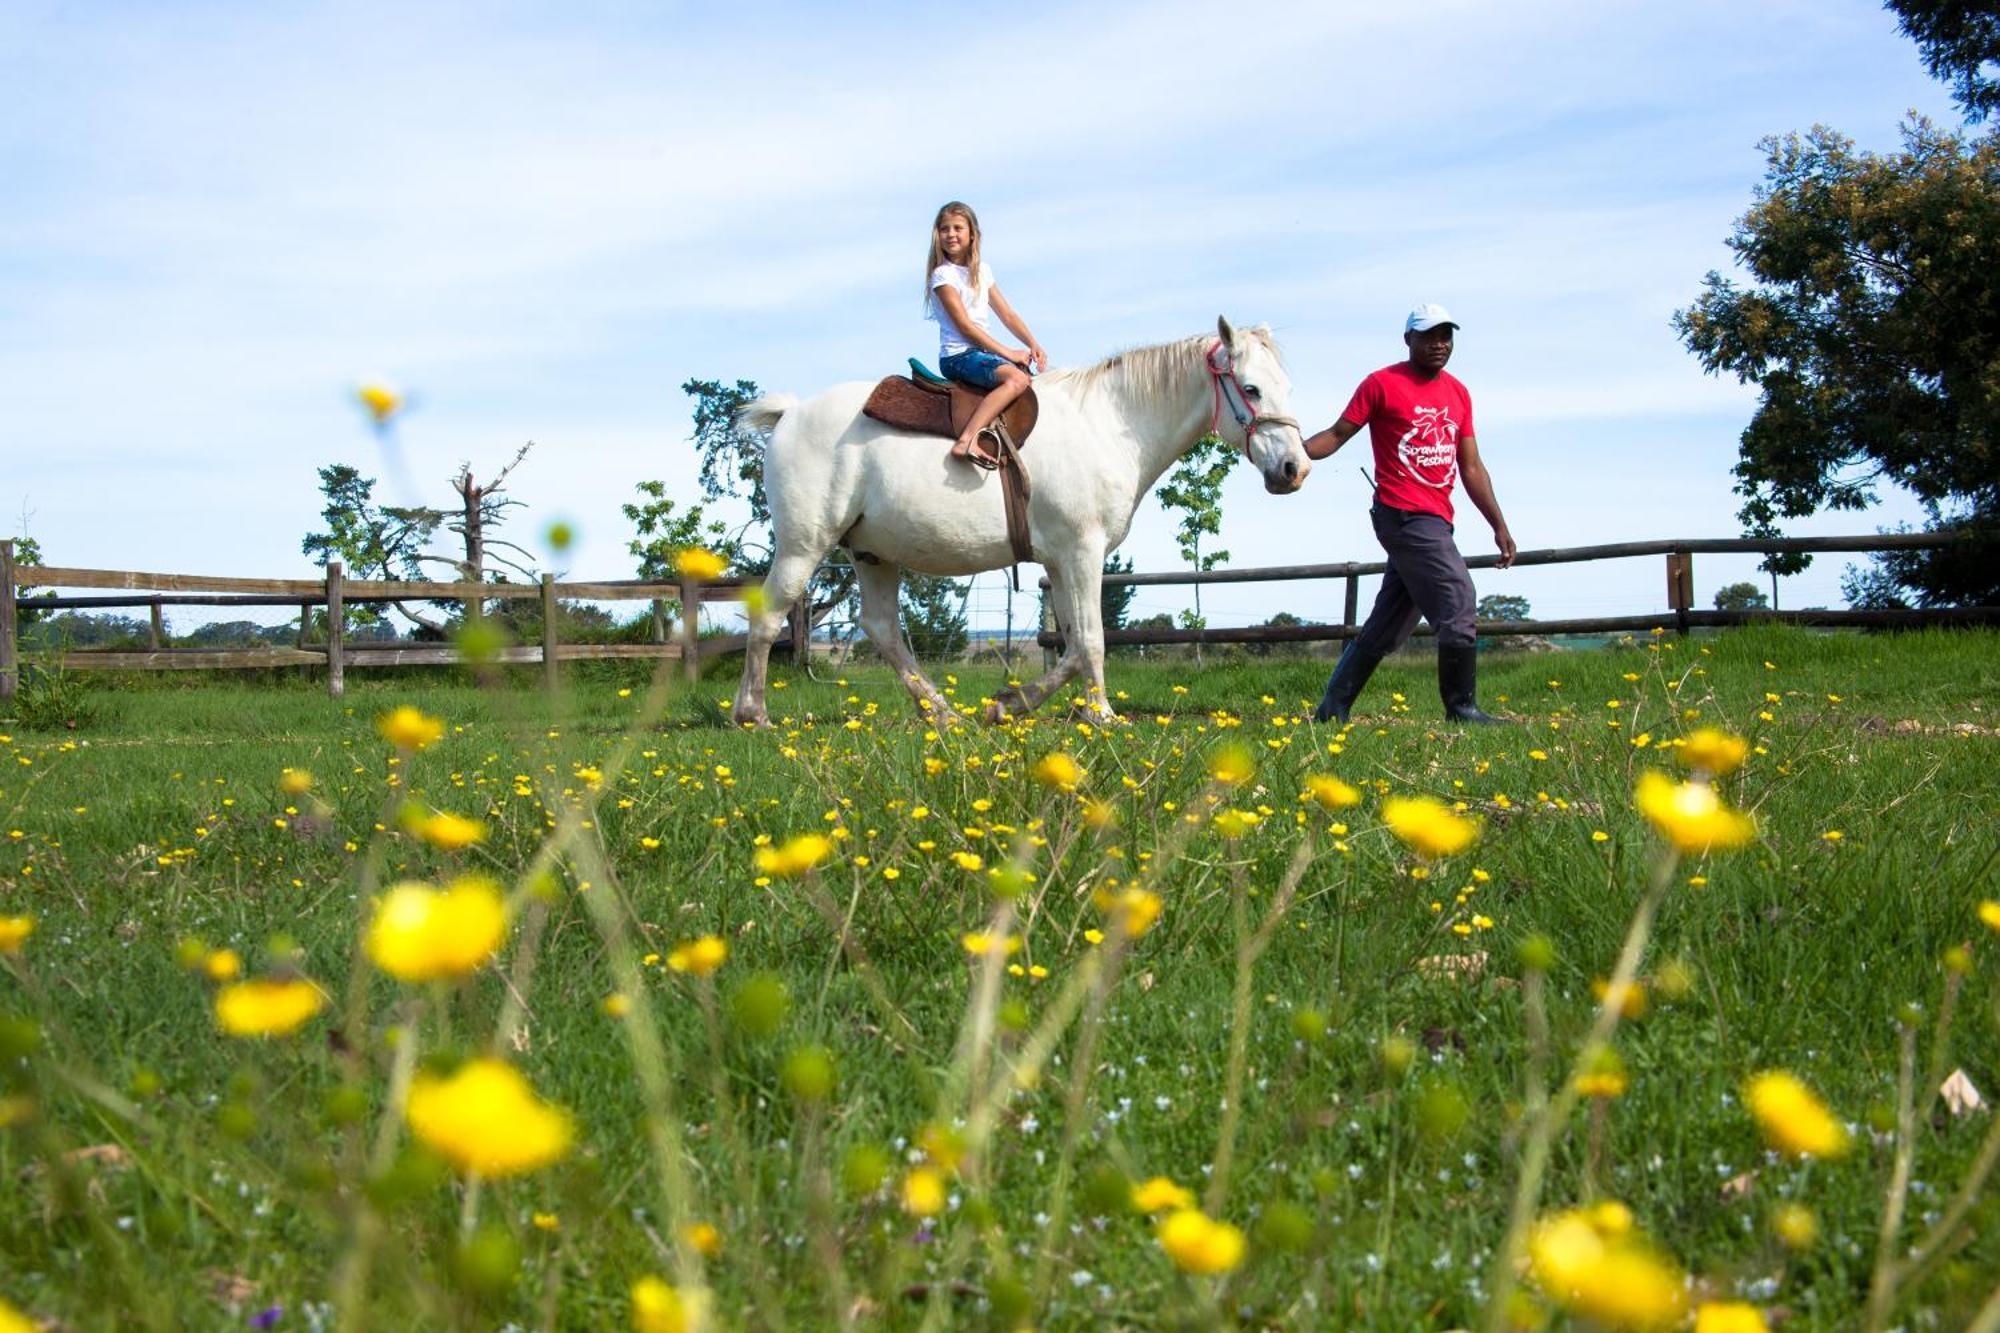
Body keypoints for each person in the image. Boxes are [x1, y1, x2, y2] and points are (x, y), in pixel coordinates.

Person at [1302, 303, 1517, 725]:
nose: (1439, 344)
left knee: (1389, 623)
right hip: (1402, 514)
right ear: (1409, 340)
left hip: (1436, 518)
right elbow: (1336, 434)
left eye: (1446, 337)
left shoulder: (1458, 393)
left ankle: (1332, 709)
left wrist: (1499, 524)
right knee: (1459, 600)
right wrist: (1290, 454)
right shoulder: (1381, 384)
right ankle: (1461, 709)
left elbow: (1470, 466)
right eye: (1429, 336)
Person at [923, 201, 1048, 463]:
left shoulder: (982, 271)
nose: (951, 234)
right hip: (958, 356)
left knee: (1028, 379)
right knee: (1016, 380)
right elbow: (965, 326)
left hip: (980, 353)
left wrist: (1032, 342)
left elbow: (1007, 314)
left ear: (972, 234)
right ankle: (967, 440)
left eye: (958, 227)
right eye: (944, 229)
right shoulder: (943, 276)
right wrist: (1009, 352)